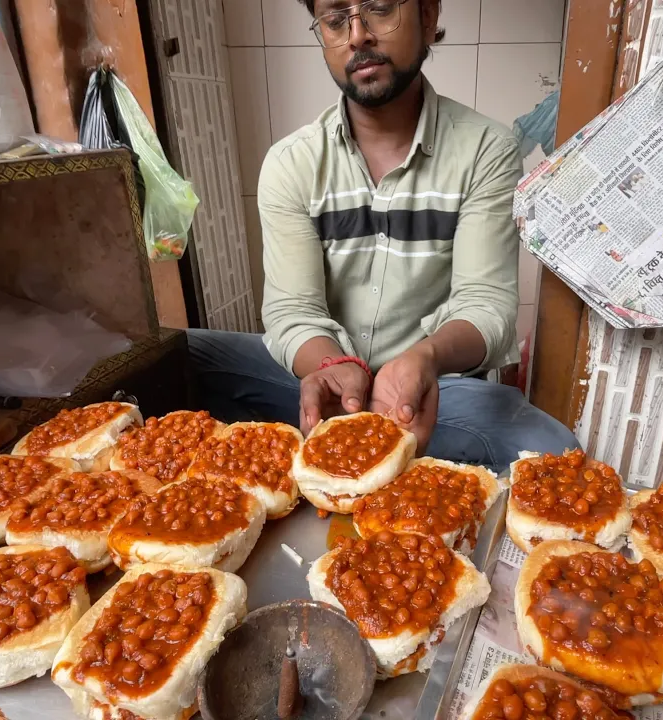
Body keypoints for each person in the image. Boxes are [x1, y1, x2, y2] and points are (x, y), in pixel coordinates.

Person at [188, 0, 576, 470]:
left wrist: (425, 359)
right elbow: (292, 309)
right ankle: (300, 443)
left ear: (428, 17)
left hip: (428, 388)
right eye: (335, 20)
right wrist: (333, 366)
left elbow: (485, 305)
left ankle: (320, 441)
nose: (357, 36)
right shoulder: (291, 162)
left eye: (379, 8)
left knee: (552, 448)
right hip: (328, 373)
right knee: (181, 354)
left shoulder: (484, 150)